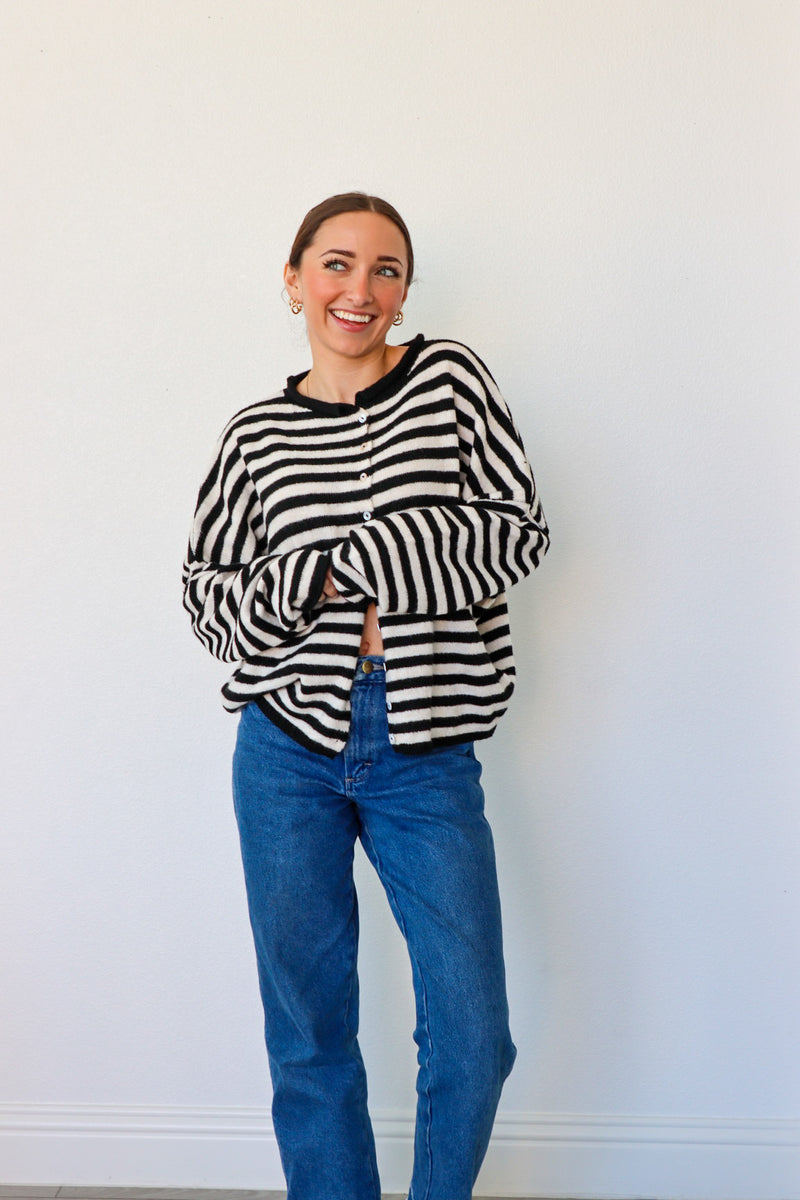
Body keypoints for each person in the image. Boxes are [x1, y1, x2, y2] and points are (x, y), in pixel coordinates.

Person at [182, 192, 549, 1200]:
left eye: (386, 269)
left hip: (424, 743)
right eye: (336, 263)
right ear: (294, 278)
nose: (360, 287)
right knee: (308, 1032)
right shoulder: (254, 437)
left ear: (402, 293)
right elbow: (210, 601)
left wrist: (349, 556)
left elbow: (516, 531)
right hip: (285, 749)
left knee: (473, 1034)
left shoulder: (450, 383)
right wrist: (315, 584)